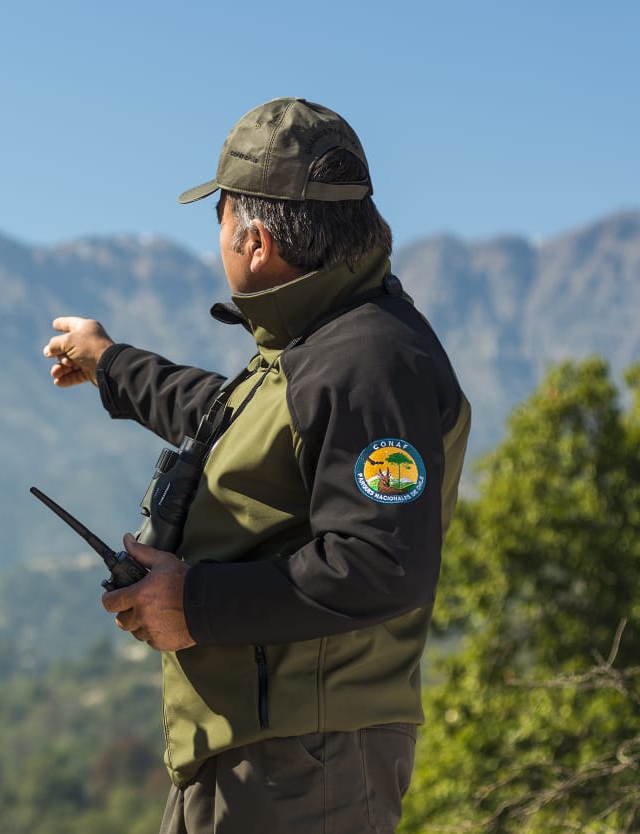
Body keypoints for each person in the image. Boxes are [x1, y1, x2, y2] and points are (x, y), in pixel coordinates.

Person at [42, 97, 470, 834]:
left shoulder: (368, 360)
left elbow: (379, 563)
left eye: (218, 220)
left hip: (305, 768)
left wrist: (193, 603)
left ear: (258, 240)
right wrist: (110, 363)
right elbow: (231, 421)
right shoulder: (316, 346)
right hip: (269, 752)